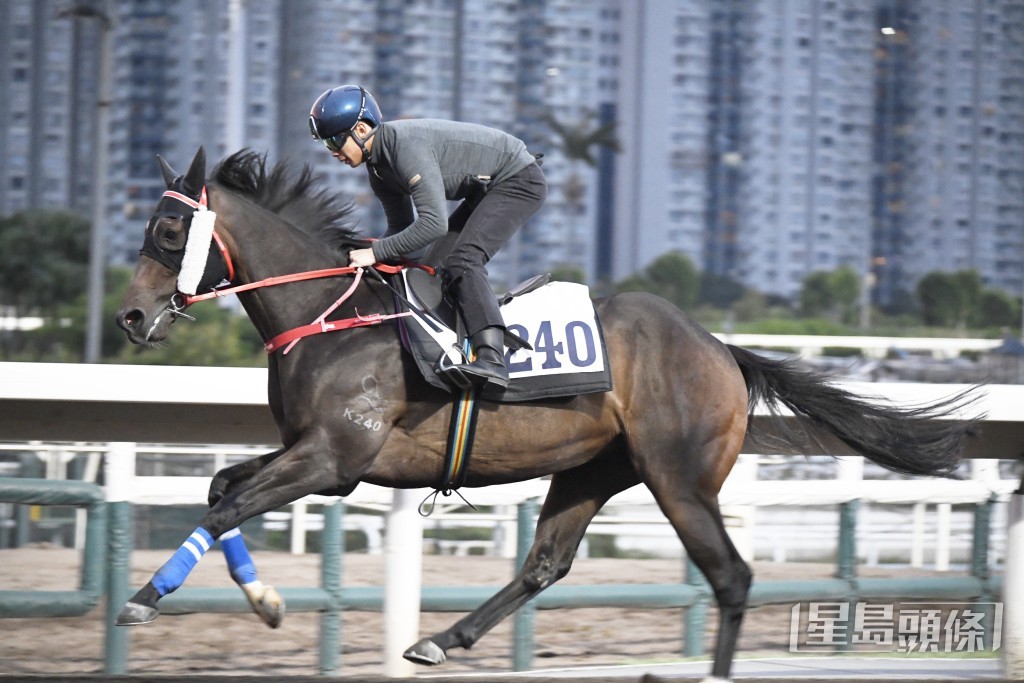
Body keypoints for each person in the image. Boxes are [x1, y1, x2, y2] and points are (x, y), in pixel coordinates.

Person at [308, 84, 547, 389]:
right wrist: (367, 254)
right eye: (327, 144)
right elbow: (401, 230)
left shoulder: (403, 147)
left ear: (362, 128)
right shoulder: (379, 170)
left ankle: (492, 360)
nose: (333, 152)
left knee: (463, 260)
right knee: (430, 271)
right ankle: (456, 346)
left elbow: (434, 225)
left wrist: (375, 253)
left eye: (336, 139)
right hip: (485, 191)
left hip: (518, 180)